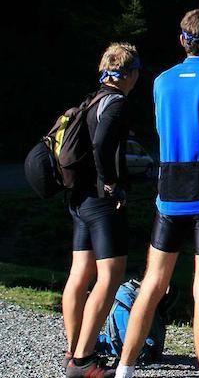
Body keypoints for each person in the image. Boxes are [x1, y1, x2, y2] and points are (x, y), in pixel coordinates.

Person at [115, 9, 199, 378]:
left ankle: (125, 368)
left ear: (182, 40)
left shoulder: (160, 82)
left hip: (169, 190)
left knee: (153, 282)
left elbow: (165, 129)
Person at [64, 43, 140, 378]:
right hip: (100, 201)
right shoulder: (118, 104)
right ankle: (83, 361)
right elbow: (101, 143)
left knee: (80, 274)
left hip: (79, 200)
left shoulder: (91, 100)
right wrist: (110, 182)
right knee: (110, 277)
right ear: (131, 73)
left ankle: (74, 350)